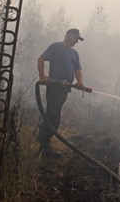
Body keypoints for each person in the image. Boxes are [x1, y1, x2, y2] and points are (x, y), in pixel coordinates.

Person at [37, 28, 84, 158]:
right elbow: (41, 59)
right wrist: (42, 76)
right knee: (54, 116)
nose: (76, 42)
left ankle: (42, 137)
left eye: (78, 40)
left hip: (65, 88)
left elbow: (78, 68)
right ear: (68, 35)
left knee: (52, 113)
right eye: (76, 38)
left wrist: (80, 82)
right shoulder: (56, 47)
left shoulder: (75, 53)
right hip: (55, 86)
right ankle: (45, 147)